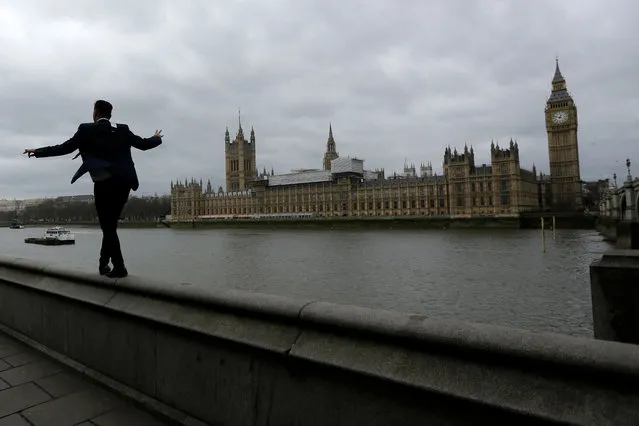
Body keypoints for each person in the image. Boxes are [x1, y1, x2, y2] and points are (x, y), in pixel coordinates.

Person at [24, 100, 163, 278]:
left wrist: (38, 151)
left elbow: (64, 148)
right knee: (110, 225)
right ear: (110, 114)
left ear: (96, 112)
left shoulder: (86, 129)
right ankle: (103, 264)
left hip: (105, 182)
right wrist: (157, 138)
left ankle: (119, 267)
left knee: (107, 226)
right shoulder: (123, 129)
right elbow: (144, 144)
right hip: (125, 181)